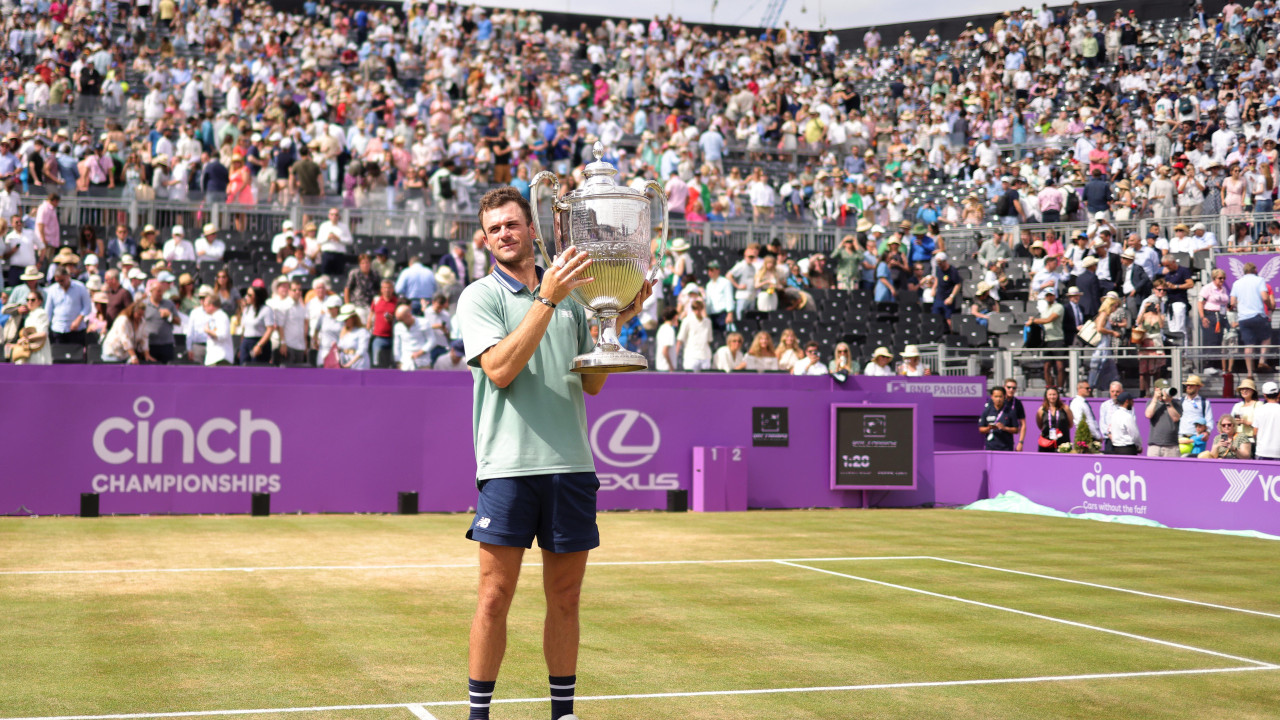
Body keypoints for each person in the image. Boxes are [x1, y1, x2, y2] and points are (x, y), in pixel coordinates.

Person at [455, 185, 651, 720]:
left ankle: (562, 714)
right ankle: (479, 715)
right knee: (494, 598)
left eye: (512, 224)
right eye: (494, 228)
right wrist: (546, 299)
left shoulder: (572, 298)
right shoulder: (481, 296)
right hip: (509, 469)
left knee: (565, 599)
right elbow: (499, 369)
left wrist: (617, 319)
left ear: (533, 230)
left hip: (571, 466)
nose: (504, 235)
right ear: (486, 237)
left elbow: (590, 387)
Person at [1229, 261, 1275, 378]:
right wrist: (1270, 305)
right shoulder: (1259, 280)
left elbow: (1232, 302)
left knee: (1249, 345)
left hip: (1244, 318)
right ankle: (1261, 361)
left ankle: (1249, 373)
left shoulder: (1237, 283)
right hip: (1258, 314)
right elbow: (1265, 297)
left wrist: (1242, 303)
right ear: (1255, 271)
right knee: (1266, 338)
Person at [1025, 287, 1064, 389]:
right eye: (1047, 295)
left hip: (1057, 339)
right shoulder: (1045, 309)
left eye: (1051, 295)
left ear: (1054, 296)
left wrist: (1033, 321)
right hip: (1047, 340)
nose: (1049, 297)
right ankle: (1049, 388)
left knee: (1059, 367)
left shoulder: (1058, 307)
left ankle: (1060, 388)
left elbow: (1049, 320)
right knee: (1046, 367)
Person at [143, 272, 181, 363]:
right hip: (150, 344)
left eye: (162, 291)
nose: (161, 293)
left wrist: (170, 316)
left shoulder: (169, 304)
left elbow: (178, 321)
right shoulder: (144, 305)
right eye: (158, 291)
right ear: (151, 291)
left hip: (166, 344)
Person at [101, 299, 151, 364]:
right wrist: (133, 356)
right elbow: (125, 339)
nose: (140, 317)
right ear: (133, 311)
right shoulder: (123, 320)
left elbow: (144, 338)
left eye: (142, 314)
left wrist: (147, 355)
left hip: (125, 355)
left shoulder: (142, 322)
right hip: (113, 352)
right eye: (139, 314)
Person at [189, 291, 233, 365]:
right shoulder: (213, 317)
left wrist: (208, 331)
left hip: (220, 358)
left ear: (211, 306)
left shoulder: (221, 316)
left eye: (205, 305)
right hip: (213, 358)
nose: (204, 308)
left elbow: (222, 335)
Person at [238, 283, 276, 364]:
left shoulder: (266, 310)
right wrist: (241, 346)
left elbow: (269, 329)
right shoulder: (247, 309)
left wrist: (259, 345)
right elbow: (244, 329)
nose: (246, 297)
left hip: (259, 341)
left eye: (249, 295)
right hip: (246, 341)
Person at [1144, 379, 1183, 458]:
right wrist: (1155, 398)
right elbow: (1148, 415)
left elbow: (1176, 418)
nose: (1165, 392)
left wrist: (1168, 402)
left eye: (1166, 388)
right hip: (1154, 445)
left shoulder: (1176, 403)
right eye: (1162, 389)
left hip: (1171, 445)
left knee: (1172, 470)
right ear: (1156, 389)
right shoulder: (1151, 403)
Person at [676, 299, 713, 370]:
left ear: (702, 308)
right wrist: (675, 356)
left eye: (699, 308)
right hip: (691, 356)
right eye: (695, 308)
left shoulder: (708, 322)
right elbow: (680, 339)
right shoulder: (686, 320)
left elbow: (709, 340)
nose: (697, 310)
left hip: (705, 356)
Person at [1177, 375, 1212, 451]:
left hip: (1197, 438)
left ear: (1198, 387)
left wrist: (1207, 432)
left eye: (1192, 385)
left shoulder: (1205, 402)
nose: (1188, 387)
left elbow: (1209, 420)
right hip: (1181, 437)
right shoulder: (1180, 401)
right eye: (1187, 385)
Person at [979, 386, 1019, 451]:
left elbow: (1016, 430)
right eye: (996, 396)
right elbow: (981, 429)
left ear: (1004, 397)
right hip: (991, 447)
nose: (998, 399)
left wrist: (1004, 428)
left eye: (1000, 396)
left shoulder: (1010, 411)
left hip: (1006, 447)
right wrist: (989, 428)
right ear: (992, 397)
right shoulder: (987, 411)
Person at [393, 305, 432, 370]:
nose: (401, 323)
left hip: (423, 363)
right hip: (405, 364)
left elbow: (432, 340)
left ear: (408, 315)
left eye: (402, 320)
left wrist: (420, 352)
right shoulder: (398, 326)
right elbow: (396, 345)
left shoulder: (424, 323)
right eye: (399, 320)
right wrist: (398, 362)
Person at [1249, 382, 1280, 461]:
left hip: (1262, 451)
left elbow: (1255, 432)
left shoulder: (1259, 410)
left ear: (1265, 395)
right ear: (1278, 394)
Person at [1035, 387, 1073, 452]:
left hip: (1063, 442)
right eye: (1050, 395)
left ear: (1058, 395)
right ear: (1046, 396)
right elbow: (1040, 425)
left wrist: (1060, 430)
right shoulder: (1041, 410)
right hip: (1047, 443)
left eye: (1054, 394)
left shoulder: (1065, 408)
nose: (1052, 397)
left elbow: (1070, 424)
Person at [335, 303, 371, 369]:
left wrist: (350, 364)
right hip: (345, 363)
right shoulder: (343, 332)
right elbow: (340, 347)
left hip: (359, 365)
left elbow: (362, 350)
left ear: (353, 318)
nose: (345, 322)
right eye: (344, 320)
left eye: (346, 320)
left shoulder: (362, 332)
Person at [312, 295, 344, 367]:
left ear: (338, 308)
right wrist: (315, 340)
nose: (329, 309)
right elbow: (316, 330)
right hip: (323, 351)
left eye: (331, 308)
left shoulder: (343, 320)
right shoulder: (323, 317)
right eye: (328, 307)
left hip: (337, 352)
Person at [1003, 378, 1028, 452]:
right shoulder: (998, 401)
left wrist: (1021, 442)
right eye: (1009, 387)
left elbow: (1023, 424)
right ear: (1004, 387)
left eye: (1013, 388)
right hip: (995, 440)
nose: (1011, 390)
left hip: (1009, 440)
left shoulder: (1017, 403)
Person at [654, 307, 678, 372]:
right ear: (675, 317)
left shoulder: (661, 328)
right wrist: (671, 366)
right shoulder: (670, 330)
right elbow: (665, 351)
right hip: (666, 368)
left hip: (660, 366)